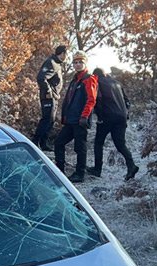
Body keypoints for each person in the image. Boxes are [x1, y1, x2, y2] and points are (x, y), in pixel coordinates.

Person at [54, 50, 98, 183]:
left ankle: (80, 174)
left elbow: (91, 100)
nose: (78, 64)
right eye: (75, 62)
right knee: (59, 142)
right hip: (70, 120)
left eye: (80, 62)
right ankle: (59, 170)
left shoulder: (89, 79)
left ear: (85, 63)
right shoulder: (75, 80)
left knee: (80, 147)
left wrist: (84, 116)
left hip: (80, 120)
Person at [91, 68, 139, 180]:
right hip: (121, 118)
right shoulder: (117, 83)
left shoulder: (98, 82)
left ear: (95, 76)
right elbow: (127, 101)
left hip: (107, 117)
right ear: (105, 74)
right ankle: (131, 165)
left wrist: (100, 116)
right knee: (120, 144)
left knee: (98, 143)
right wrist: (126, 114)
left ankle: (97, 169)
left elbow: (98, 99)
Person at [34, 45, 68, 151]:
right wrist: (48, 91)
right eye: (66, 54)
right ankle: (34, 143)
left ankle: (43, 144)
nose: (67, 56)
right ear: (62, 53)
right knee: (47, 120)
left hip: (54, 97)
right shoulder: (51, 62)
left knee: (51, 120)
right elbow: (41, 78)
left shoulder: (57, 64)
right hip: (49, 97)